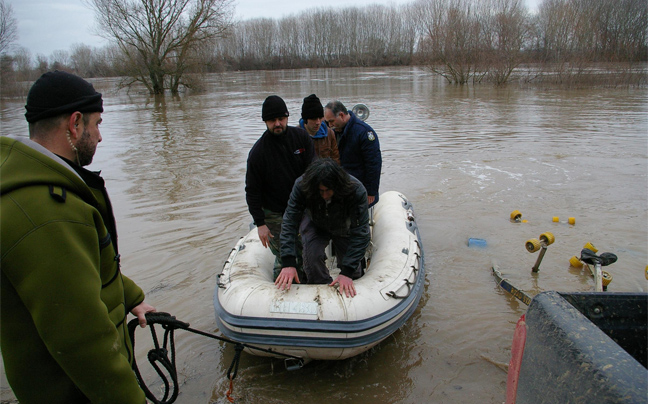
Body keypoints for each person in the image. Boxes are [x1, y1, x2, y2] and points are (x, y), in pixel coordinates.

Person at [0, 70, 156, 404]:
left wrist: (131, 296)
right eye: (96, 123)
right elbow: (83, 341)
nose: (99, 137)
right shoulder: (48, 213)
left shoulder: (37, 189)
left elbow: (79, 269)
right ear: (74, 124)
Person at [275, 158, 371, 298]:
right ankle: (321, 289)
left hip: (344, 224)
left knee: (351, 267)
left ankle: (351, 286)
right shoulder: (302, 186)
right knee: (311, 258)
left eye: (328, 190)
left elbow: (361, 231)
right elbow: (290, 221)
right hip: (316, 221)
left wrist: (347, 272)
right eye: (321, 191)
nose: (325, 195)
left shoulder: (355, 190)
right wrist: (288, 261)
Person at [245, 95, 315, 279]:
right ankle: (281, 287)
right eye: (271, 120)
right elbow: (252, 191)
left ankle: (307, 281)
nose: (277, 123)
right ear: (265, 122)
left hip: (302, 205)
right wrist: (260, 223)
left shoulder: (301, 138)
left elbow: (313, 172)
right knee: (286, 253)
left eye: (281, 119)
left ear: (287, 118)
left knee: (306, 248)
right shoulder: (258, 153)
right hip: (274, 212)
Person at [324, 100, 382, 207]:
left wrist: (371, 192)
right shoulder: (334, 132)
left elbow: (373, 164)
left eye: (331, 121)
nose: (330, 125)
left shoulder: (363, 132)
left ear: (341, 115)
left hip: (360, 187)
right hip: (342, 188)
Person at [299, 94, 340, 163]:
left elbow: (335, 159)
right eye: (314, 119)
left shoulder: (329, 133)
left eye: (320, 118)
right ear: (305, 120)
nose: (318, 122)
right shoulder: (296, 136)